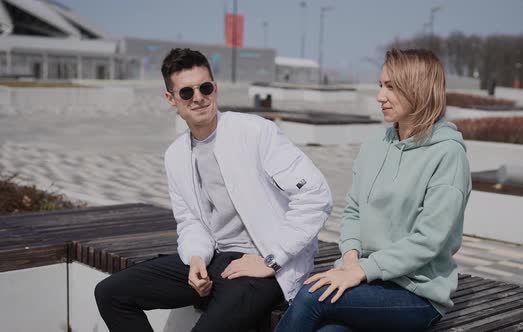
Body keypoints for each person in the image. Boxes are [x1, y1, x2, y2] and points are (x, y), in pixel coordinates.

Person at [94, 48, 333, 332]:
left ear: (215, 89)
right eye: (186, 92)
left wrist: (273, 259)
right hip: (216, 259)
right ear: (171, 99)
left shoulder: (255, 132)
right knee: (110, 293)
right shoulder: (176, 155)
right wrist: (196, 258)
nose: (198, 97)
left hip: (265, 265)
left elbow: (315, 194)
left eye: (205, 87)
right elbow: (191, 221)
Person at [276, 48, 472, 332]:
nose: (380, 96)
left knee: (311, 295)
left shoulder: (448, 155)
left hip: (417, 294)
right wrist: (351, 256)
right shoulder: (375, 145)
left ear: (418, 89)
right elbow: (354, 209)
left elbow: (429, 240)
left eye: (391, 87)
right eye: (381, 86)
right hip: (368, 279)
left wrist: (362, 270)